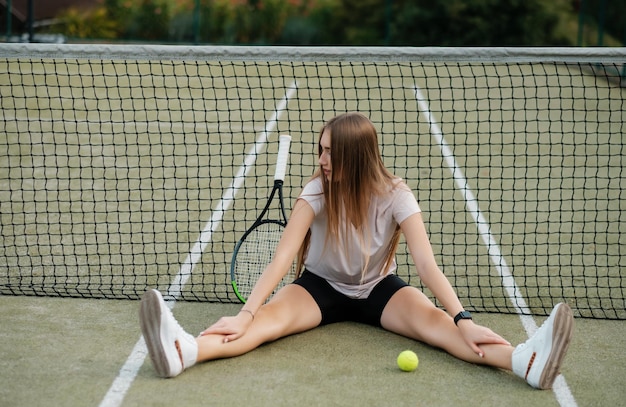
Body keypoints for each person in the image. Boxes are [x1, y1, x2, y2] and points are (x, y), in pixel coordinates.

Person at [139, 112, 574, 389]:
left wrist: (463, 317)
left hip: (379, 289)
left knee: (444, 331)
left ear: (356, 156)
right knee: (259, 329)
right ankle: (185, 352)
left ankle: (525, 362)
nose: (322, 160)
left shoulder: (396, 195)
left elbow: (426, 264)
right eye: (321, 149)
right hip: (318, 287)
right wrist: (247, 312)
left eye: (331, 152)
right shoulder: (315, 191)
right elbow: (282, 257)